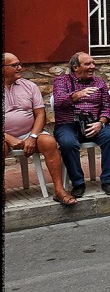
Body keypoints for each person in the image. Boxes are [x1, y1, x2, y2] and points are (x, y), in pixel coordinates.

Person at [3, 53, 77, 206]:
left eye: (19, 64)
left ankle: (59, 190)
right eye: (15, 65)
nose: (20, 68)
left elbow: (40, 115)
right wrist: (7, 137)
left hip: (29, 133)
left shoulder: (29, 86)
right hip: (5, 136)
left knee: (49, 142)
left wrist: (33, 136)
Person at [51, 51, 110, 196]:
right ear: (75, 67)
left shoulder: (99, 82)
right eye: (88, 64)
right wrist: (77, 95)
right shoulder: (61, 81)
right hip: (68, 124)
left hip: (94, 123)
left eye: (93, 63)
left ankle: (108, 180)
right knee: (67, 143)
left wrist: (101, 122)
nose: (93, 66)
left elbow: (107, 107)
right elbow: (58, 101)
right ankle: (78, 183)